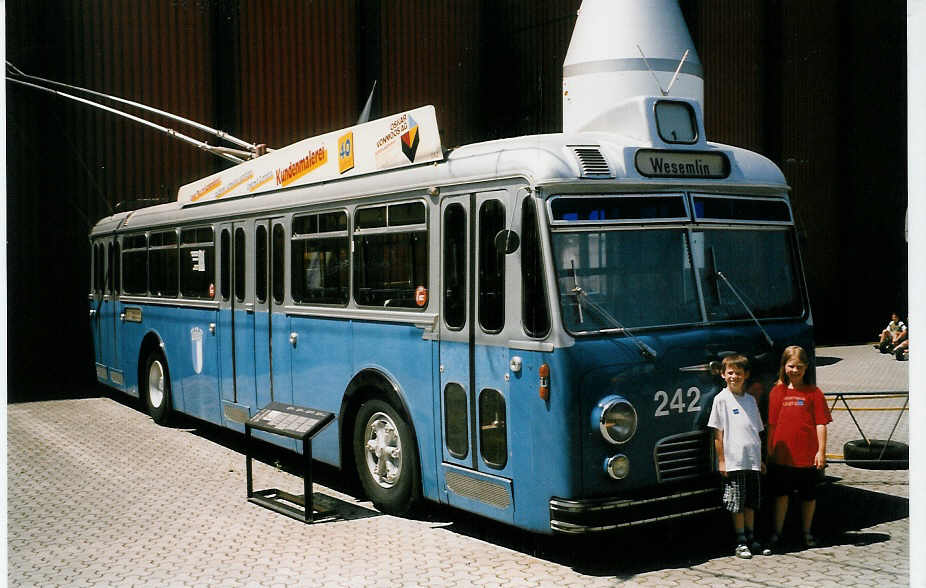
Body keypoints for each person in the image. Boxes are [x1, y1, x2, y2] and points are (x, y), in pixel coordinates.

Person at [766, 346, 832, 551]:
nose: (795, 370)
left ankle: (806, 533)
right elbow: (772, 424)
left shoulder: (814, 393)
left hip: (807, 456)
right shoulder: (777, 391)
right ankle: (777, 533)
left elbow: (821, 423)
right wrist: (769, 450)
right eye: (791, 366)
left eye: (799, 367)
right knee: (781, 495)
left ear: (806, 368)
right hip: (782, 455)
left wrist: (821, 451)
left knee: (808, 496)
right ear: (784, 366)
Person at [708, 354, 767, 559]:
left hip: (752, 460)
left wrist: (759, 459)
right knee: (737, 502)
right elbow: (718, 434)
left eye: (739, 373)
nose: (734, 376)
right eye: (730, 373)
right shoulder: (721, 400)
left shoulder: (750, 400)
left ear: (746, 375)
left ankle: (752, 538)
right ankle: (740, 541)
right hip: (734, 461)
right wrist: (722, 460)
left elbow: (756, 431)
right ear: (723, 375)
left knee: (751, 501)